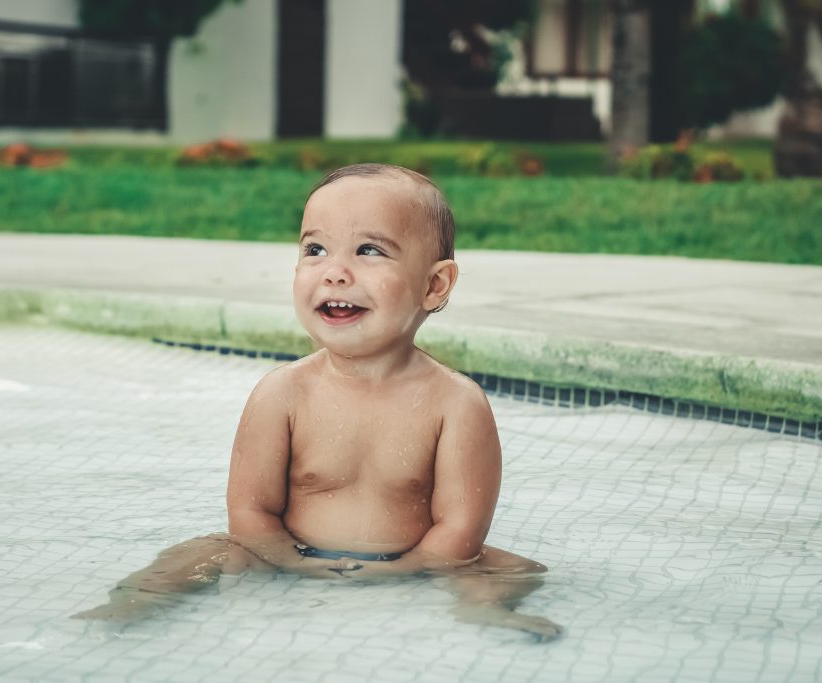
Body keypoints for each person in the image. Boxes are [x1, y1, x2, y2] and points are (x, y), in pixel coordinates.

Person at [73, 163, 561, 641]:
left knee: (511, 571)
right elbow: (250, 512)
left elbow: (459, 530)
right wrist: (290, 560)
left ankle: (485, 615)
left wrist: (404, 570)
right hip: (287, 553)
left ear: (434, 286)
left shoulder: (455, 404)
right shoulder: (282, 394)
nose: (335, 273)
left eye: (369, 250)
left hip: (413, 559)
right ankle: (129, 607)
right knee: (202, 552)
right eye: (316, 249)